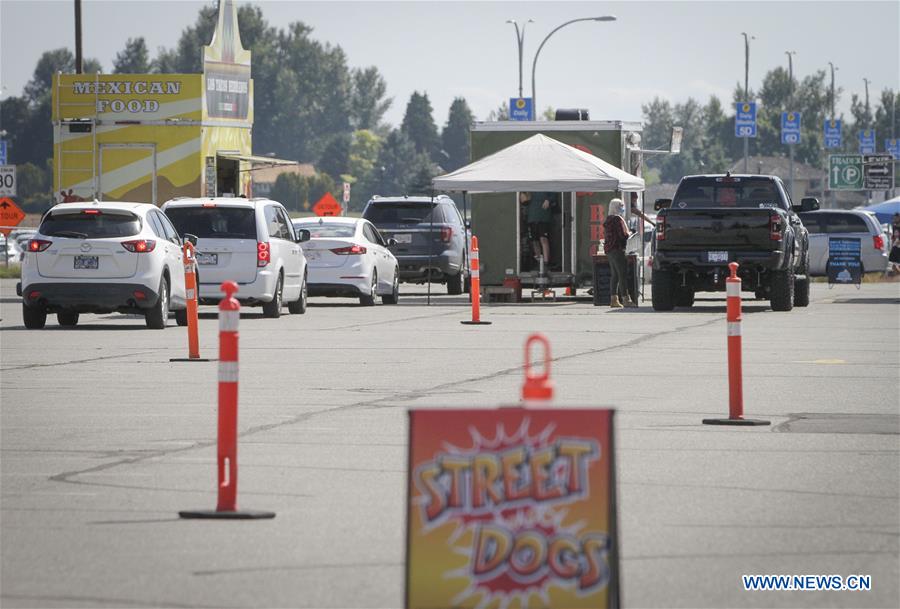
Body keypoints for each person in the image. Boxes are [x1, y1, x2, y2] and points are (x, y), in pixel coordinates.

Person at [603, 197, 634, 308]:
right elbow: (622, 235)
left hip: (609, 250)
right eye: (621, 206)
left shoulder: (608, 219)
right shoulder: (617, 219)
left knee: (614, 275)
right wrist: (629, 234)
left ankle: (614, 299)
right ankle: (626, 299)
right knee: (622, 274)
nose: (623, 208)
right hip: (617, 249)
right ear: (617, 208)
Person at [520, 191, 554, 273]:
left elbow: (554, 194)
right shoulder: (528, 186)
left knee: (543, 239)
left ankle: (546, 263)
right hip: (531, 218)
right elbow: (523, 200)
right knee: (534, 241)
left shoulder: (547, 184)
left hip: (543, 217)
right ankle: (539, 263)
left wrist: (548, 200)